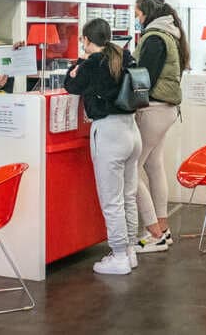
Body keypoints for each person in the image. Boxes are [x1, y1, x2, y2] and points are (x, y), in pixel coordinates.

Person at [64, 18, 143, 275]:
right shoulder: (124, 56)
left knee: (112, 199)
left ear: (87, 40)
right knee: (129, 195)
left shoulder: (91, 64)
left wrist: (73, 70)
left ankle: (118, 255)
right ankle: (130, 250)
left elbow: (71, 86)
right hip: (132, 130)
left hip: (109, 133)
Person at [129, 0, 187, 253]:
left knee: (130, 170)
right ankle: (162, 228)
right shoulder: (170, 33)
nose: (136, 19)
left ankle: (154, 232)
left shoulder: (154, 37)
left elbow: (145, 77)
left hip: (152, 109)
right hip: (166, 109)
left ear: (147, 13)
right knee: (153, 166)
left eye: (138, 14)